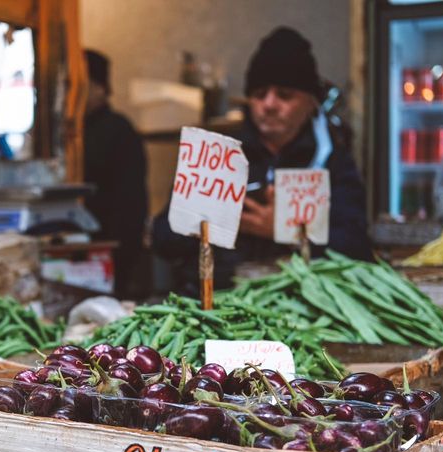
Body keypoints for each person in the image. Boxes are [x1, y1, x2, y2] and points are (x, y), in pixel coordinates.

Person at [153, 27, 371, 296]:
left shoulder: (331, 161)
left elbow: (357, 246)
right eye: (259, 94)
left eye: (285, 95)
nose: (269, 104)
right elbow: (162, 238)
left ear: (311, 103)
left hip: (300, 306)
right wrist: (215, 222)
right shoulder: (217, 155)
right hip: (213, 303)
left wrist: (285, 230)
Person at [83, 49, 149, 298]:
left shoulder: (119, 130)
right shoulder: (69, 134)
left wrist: (121, 260)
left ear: (100, 88)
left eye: (80, 85)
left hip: (110, 255)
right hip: (83, 257)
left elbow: (132, 205)